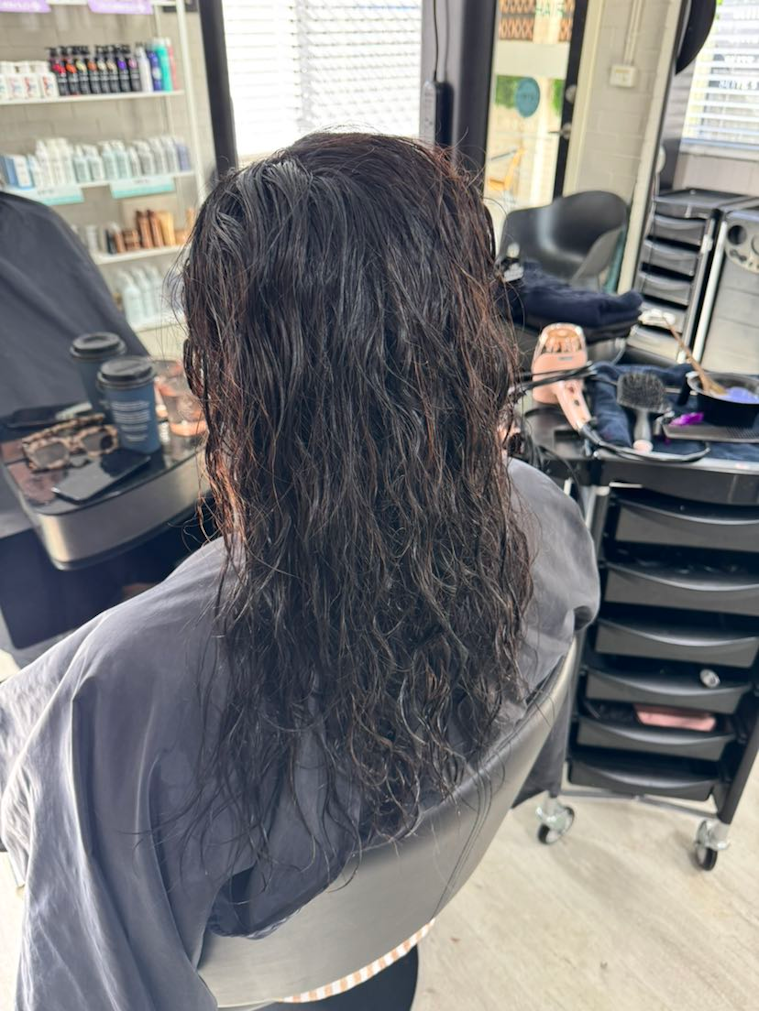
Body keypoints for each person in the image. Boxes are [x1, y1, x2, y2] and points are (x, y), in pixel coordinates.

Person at [0, 133, 598, 1009]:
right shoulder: (545, 514)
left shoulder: (120, 690)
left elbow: (88, 982)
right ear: (463, 337)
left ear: (233, 383)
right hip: (388, 953)